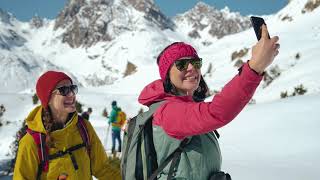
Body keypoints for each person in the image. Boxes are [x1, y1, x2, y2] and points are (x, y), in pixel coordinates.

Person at [137, 25, 279, 179]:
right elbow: (216, 112)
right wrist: (255, 67)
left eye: (196, 63)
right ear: (167, 75)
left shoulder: (183, 107)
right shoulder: (168, 112)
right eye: (182, 64)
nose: (191, 68)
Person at [13, 71, 120, 180]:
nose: (72, 94)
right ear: (48, 98)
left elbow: (102, 168)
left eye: (72, 89)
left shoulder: (83, 127)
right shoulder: (32, 142)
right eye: (64, 90)